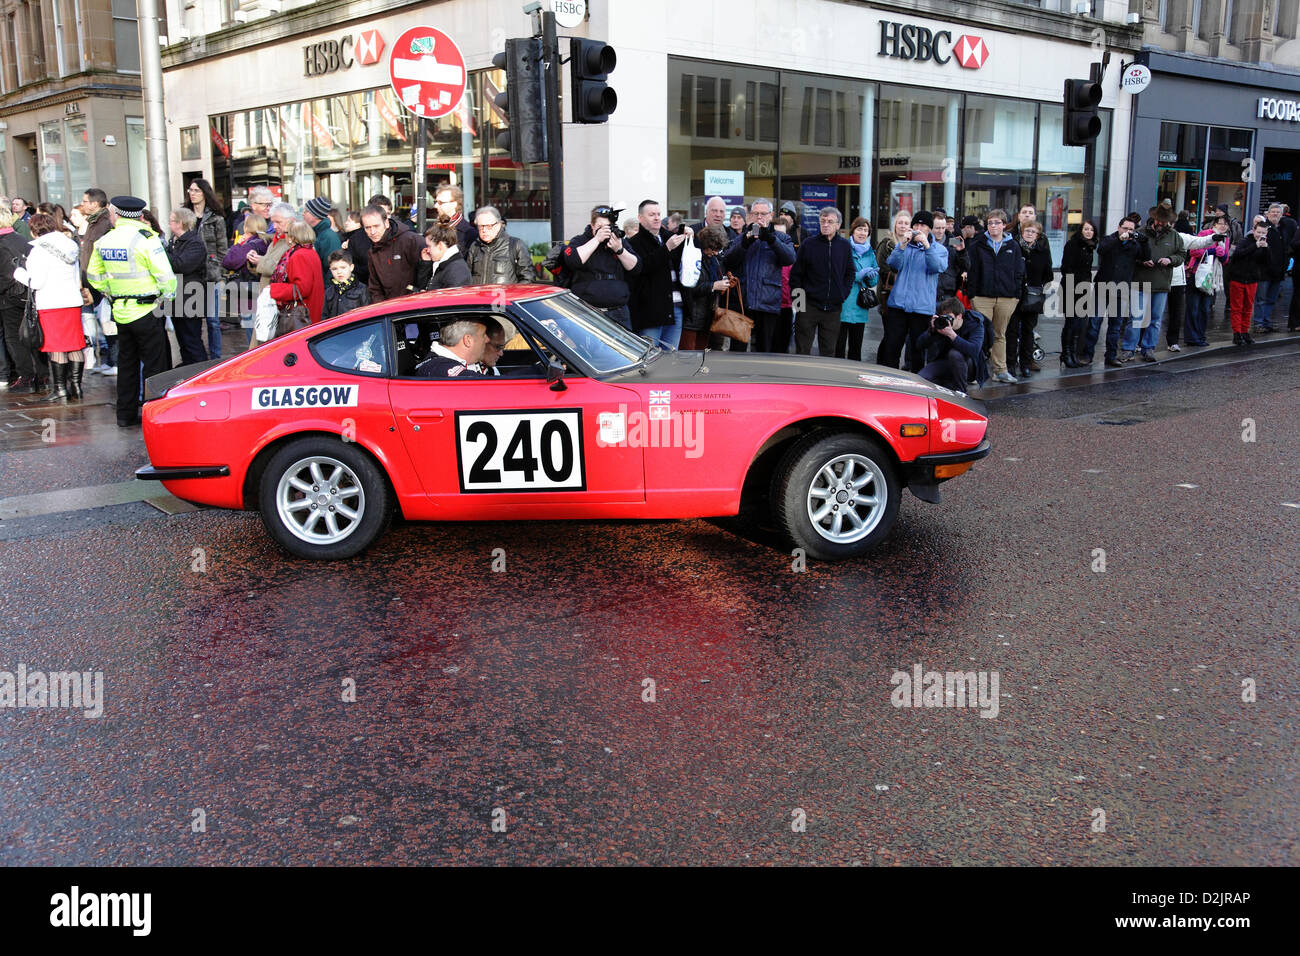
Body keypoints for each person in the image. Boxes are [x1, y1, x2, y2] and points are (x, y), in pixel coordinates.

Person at [86, 196, 177, 427]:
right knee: (155, 365)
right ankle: (153, 414)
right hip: (147, 310)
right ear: (138, 214)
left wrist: (110, 291)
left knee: (126, 364)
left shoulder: (105, 240)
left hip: (121, 310)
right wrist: (167, 297)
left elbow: (93, 275)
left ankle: (125, 415)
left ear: (116, 213)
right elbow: (166, 276)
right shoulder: (147, 239)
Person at [13, 213, 84, 399]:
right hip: (72, 301)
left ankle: (59, 390)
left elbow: (36, 282)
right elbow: (77, 276)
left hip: (51, 303)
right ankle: (76, 387)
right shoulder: (71, 245)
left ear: (34, 230)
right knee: (75, 345)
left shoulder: (38, 250)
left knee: (57, 347)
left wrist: (19, 272)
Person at [721, 198, 794, 352]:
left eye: (763, 213)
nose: (759, 217)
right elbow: (728, 261)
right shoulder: (742, 237)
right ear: (750, 216)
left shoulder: (782, 238)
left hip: (767, 303)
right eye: (755, 214)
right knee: (737, 350)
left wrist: (771, 239)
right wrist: (745, 243)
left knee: (763, 350)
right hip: (743, 303)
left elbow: (789, 258)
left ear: (771, 215)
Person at [881, 211, 948, 372]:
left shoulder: (938, 249)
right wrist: (902, 245)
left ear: (929, 229)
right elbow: (893, 264)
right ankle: (890, 380)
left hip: (921, 308)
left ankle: (917, 383)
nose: (918, 229)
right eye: (916, 225)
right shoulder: (903, 245)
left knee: (917, 350)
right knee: (892, 346)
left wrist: (927, 246)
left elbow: (938, 267)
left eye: (923, 225)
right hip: (899, 305)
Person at [963, 208, 1024, 382]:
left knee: (999, 334)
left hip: (1007, 297)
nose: (993, 226)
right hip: (982, 296)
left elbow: (1019, 272)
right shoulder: (977, 244)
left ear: (1004, 225)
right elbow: (971, 270)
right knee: (980, 334)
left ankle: (1000, 370)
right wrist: (973, 294)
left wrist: (1016, 295)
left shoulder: (1013, 246)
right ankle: (976, 372)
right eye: (990, 222)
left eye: (997, 222)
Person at [1120, 201, 1183, 364]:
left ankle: (1149, 348)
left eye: (1164, 220)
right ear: (1154, 218)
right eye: (1159, 220)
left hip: (1161, 283)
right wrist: (1142, 261)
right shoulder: (1140, 232)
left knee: (1155, 319)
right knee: (1136, 317)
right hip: (1140, 281)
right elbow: (1130, 254)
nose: (1161, 223)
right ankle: (1128, 349)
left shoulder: (1174, 236)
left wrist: (1170, 259)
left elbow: (1182, 255)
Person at [1081, 215, 1148, 368]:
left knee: (1115, 326)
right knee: (1094, 323)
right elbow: (1102, 250)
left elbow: (1145, 256)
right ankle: (1087, 355)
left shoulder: (1135, 244)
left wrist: (1144, 242)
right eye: (1125, 228)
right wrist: (1120, 239)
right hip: (1103, 287)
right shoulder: (1109, 239)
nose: (1128, 231)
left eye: (1131, 229)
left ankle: (1110, 356)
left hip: (1121, 289)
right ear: (1119, 228)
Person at [789, 206, 855, 356]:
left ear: (838, 225)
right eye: (823, 221)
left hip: (833, 309)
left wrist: (842, 294)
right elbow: (796, 275)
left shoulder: (844, 246)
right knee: (802, 350)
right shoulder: (808, 244)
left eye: (830, 222)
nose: (825, 224)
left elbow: (850, 273)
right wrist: (798, 302)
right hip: (808, 306)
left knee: (828, 352)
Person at [563, 204, 641, 328]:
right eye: (600, 227)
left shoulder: (618, 241)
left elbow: (636, 267)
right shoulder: (580, 241)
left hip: (618, 312)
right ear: (592, 225)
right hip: (588, 312)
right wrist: (597, 240)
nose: (604, 231)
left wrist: (619, 249)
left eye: (607, 227)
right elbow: (573, 260)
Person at [627, 199, 690, 348]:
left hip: (676, 307)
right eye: (651, 214)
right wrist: (666, 249)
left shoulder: (670, 236)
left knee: (670, 357)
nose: (656, 218)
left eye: (658, 214)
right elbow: (642, 268)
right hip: (650, 311)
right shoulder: (633, 243)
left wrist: (692, 237)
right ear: (640, 218)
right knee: (649, 357)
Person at [181, 179, 229, 361]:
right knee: (190, 319)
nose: (192, 193)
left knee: (213, 321)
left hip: (211, 274)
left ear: (204, 193)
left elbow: (222, 248)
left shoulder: (216, 219)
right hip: (190, 274)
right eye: (190, 190)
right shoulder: (185, 216)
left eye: (196, 190)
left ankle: (215, 358)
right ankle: (194, 357)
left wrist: (222, 274)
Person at [1005, 219, 1051, 377]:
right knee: (1011, 332)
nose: (1030, 234)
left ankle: (1025, 364)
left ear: (1038, 235)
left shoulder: (1043, 251)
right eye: (1027, 231)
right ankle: (1010, 365)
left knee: (1028, 332)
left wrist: (1036, 285)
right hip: (1015, 295)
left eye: (1033, 232)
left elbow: (1048, 274)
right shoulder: (1013, 248)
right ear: (1022, 232)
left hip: (1033, 297)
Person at [77, 188, 116, 375]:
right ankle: (109, 360)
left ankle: (115, 361)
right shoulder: (93, 222)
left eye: (85, 201)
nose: (83, 204)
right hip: (92, 281)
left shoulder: (104, 222)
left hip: (102, 282)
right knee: (102, 322)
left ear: (95, 203)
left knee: (109, 322)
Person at [164, 208, 209, 366]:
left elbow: (181, 265)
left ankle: (200, 370)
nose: (169, 224)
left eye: (171, 221)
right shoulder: (173, 242)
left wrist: (161, 255)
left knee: (192, 339)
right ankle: (188, 368)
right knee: (182, 339)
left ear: (180, 223)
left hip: (191, 298)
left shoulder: (194, 243)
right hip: (177, 297)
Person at [0, 209, 37, 391]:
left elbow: (6, 275)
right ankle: (42, 375)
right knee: (32, 334)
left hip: (9, 297)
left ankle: (27, 377)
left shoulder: (2, 243)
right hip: (27, 293)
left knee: (14, 337)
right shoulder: (21, 239)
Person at [680, 225, 732, 350]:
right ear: (705, 246)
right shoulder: (692, 258)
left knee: (701, 357)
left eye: (717, 250)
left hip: (707, 317)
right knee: (688, 357)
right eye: (713, 249)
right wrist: (714, 286)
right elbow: (690, 288)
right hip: (692, 319)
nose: (715, 253)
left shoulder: (714, 261)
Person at [917, 297, 986, 391]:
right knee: (922, 378)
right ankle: (947, 385)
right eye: (943, 317)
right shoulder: (941, 324)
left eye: (949, 317)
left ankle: (961, 392)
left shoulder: (974, 323)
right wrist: (931, 331)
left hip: (967, 364)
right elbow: (919, 345)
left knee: (954, 354)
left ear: (959, 316)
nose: (946, 321)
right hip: (945, 362)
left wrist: (952, 335)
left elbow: (974, 351)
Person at [1184, 212, 1231, 347]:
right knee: (1193, 307)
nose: (1223, 226)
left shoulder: (1225, 239)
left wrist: (1222, 255)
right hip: (1197, 273)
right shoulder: (1206, 234)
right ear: (1215, 224)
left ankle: (1200, 336)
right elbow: (1194, 251)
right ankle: (1191, 337)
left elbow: (1225, 259)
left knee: (1205, 308)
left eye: (1226, 224)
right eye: (1220, 223)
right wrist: (1212, 251)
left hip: (1211, 277)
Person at [835, 217, 879, 361]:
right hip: (843, 303)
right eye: (860, 229)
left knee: (856, 348)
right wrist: (857, 276)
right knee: (838, 347)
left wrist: (872, 277)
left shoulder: (870, 252)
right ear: (853, 231)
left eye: (866, 230)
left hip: (860, 306)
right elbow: (837, 273)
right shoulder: (843, 248)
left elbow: (873, 281)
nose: (862, 233)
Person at [362, 204, 425, 302]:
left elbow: (427, 272)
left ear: (386, 223)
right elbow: (375, 288)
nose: (372, 231)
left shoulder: (410, 240)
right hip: (390, 310)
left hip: (415, 306)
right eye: (367, 228)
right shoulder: (373, 251)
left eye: (376, 226)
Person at [266, 220, 325, 325]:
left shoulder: (299, 255)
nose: (285, 236)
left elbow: (302, 289)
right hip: (310, 310)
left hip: (301, 315)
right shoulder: (310, 251)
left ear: (292, 237)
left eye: (286, 233)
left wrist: (273, 289)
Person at [1226, 219, 1273, 346]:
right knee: (1237, 308)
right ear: (1253, 231)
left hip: (1252, 280)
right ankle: (1237, 333)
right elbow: (1238, 254)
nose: (1260, 235)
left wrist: (1266, 249)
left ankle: (1245, 332)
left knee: (1248, 308)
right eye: (1258, 232)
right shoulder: (1244, 241)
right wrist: (1255, 246)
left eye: (1263, 233)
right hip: (1238, 278)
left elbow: (1267, 263)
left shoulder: (1265, 244)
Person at [1058, 220, 1097, 367]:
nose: (1088, 232)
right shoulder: (1072, 244)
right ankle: (1066, 354)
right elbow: (1066, 267)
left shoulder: (1090, 246)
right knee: (1071, 322)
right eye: (1086, 229)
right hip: (1071, 287)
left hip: (1084, 288)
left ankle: (1074, 353)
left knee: (1079, 323)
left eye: (1091, 230)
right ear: (1080, 230)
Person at [466, 206, 535, 286]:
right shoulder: (475, 247)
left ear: (499, 224)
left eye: (489, 226)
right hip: (479, 297)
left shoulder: (515, 245)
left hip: (507, 297)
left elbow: (528, 279)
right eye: (481, 226)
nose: (484, 230)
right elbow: (467, 278)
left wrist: (513, 296)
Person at [1251, 204, 1290, 333]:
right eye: (1272, 212)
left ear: (1281, 214)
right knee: (1261, 298)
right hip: (1264, 270)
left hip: (1279, 270)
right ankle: (1258, 323)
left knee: (1271, 299)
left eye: (1277, 212)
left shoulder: (1283, 229)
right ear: (1267, 214)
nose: (1275, 214)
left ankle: (1266, 321)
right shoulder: (1264, 228)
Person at [414, 317, 488, 378]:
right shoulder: (440, 368)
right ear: (468, 340)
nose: (487, 339)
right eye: (483, 335)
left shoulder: (437, 363)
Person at [423, 222, 472, 290]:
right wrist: (425, 263)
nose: (427, 250)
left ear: (440, 245)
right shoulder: (444, 264)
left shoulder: (457, 271)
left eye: (429, 246)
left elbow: (451, 299)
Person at [303, 196, 341, 282]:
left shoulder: (328, 237)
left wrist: (326, 292)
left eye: (306, 211)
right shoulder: (313, 233)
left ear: (315, 215)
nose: (303, 214)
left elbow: (333, 268)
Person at [322, 250, 370, 319]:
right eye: (334, 269)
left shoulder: (362, 289)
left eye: (343, 267)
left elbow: (367, 315)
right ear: (330, 270)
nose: (339, 272)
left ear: (351, 267)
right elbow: (324, 317)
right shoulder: (328, 292)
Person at [432, 184, 477, 255]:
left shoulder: (469, 233)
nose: (435, 206)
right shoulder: (432, 229)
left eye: (440, 202)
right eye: (435, 202)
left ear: (454, 204)